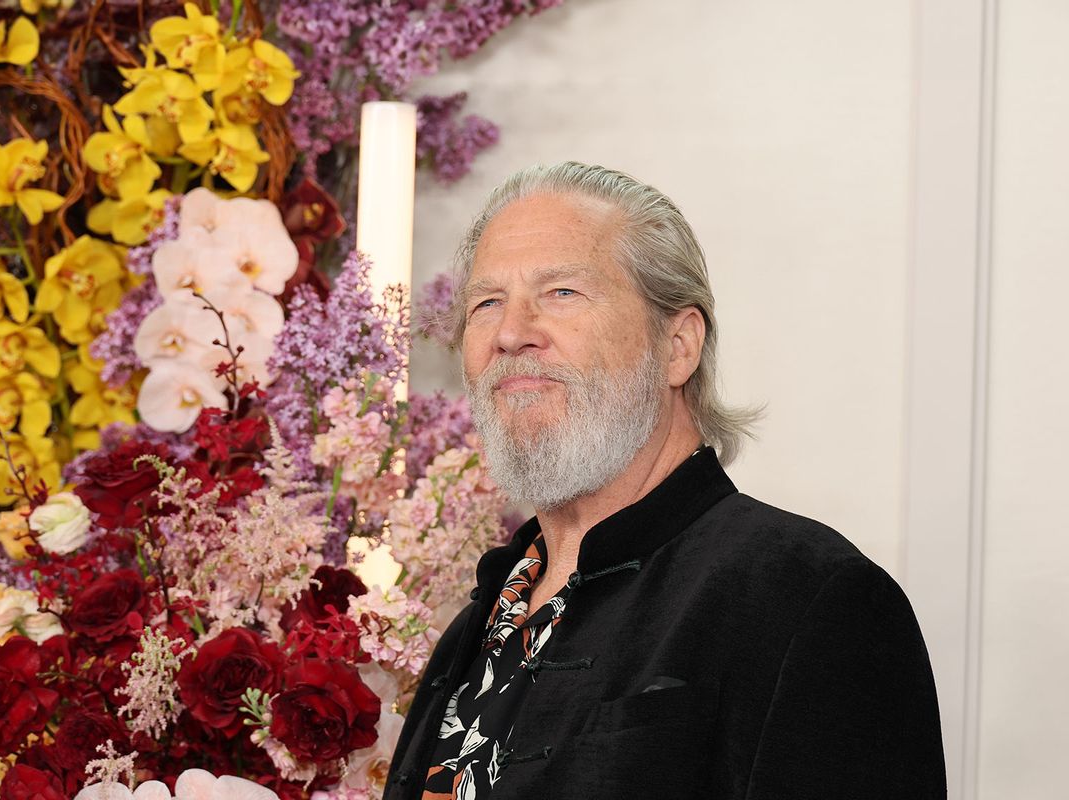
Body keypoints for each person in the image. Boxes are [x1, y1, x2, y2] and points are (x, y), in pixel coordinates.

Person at [383, 163, 946, 800]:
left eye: (562, 292)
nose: (511, 333)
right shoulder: (474, 627)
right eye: (487, 303)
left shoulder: (809, 600)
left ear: (678, 345)